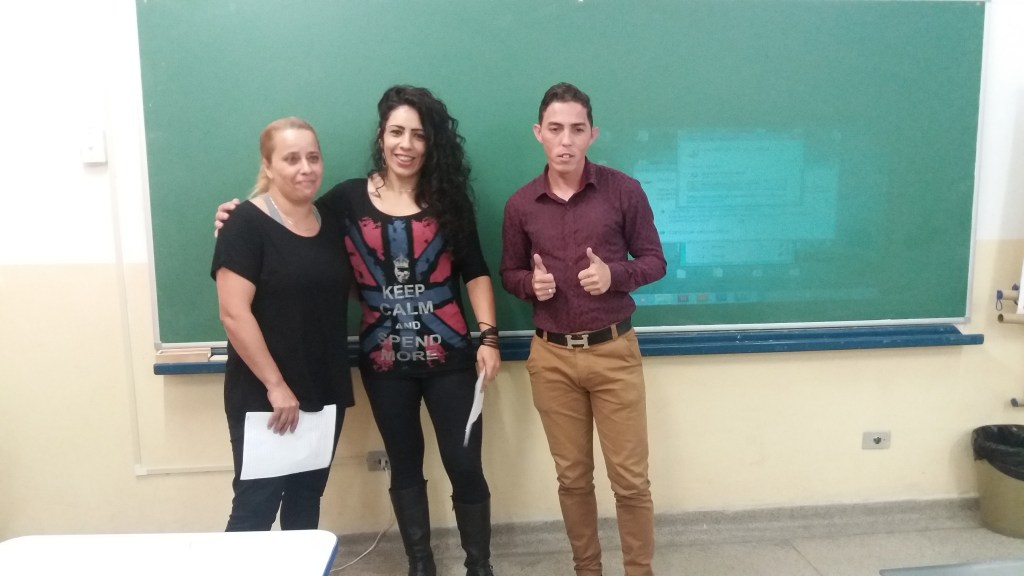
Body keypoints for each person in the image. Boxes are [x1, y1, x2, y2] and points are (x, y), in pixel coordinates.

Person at [216, 86, 501, 576]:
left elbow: (474, 269)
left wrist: (489, 337)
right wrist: (235, 215)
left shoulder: (450, 201)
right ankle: (420, 565)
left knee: (462, 464)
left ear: (431, 142)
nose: (406, 144)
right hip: (381, 364)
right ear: (381, 136)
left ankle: (480, 567)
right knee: (400, 466)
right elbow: (287, 221)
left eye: (418, 134)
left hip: (449, 358)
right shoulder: (344, 201)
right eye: (396, 132)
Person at [499, 83, 667, 576]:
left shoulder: (623, 191)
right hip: (551, 358)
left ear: (593, 134)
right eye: (555, 129)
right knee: (572, 479)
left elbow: (655, 260)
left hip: (613, 352)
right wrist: (531, 285)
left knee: (630, 481)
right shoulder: (521, 205)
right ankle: (587, 569)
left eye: (577, 129)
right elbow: (509, 272)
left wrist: (615, 275)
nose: (566, 140)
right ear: (539, 133)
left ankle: (639, 571)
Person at [211, 117, 353, 532]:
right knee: (255, 506)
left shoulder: (331, 222)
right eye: (291, 159)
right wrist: (276, 386)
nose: (305, 168)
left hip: (323, 386)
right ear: (268, 166)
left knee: (306, 500)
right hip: (266, 393)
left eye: (313, 157)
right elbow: (233, 313)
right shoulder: (244, 224)